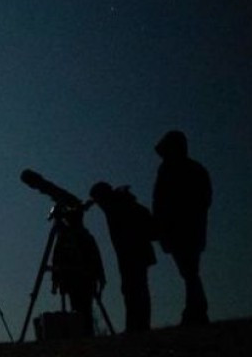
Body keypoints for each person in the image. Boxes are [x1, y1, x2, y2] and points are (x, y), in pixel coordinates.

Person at [152, 130, 212, 326]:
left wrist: (178, 217)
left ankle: (196, 310)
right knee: (188, 271)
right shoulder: (179, 169)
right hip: (180, 228)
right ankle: (195, 309)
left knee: (189, 270)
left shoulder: (181, 170)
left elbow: (203, 199)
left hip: (184, 228)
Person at [90, 181, 157, 333]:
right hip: (130, 254)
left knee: (135, 289)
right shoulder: (119, 205)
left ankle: (138, 325)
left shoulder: (121, 207)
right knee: (132, 289)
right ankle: (136, 325)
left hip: (134, 253)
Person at [50, 208, 106, 336]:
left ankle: (85, 333)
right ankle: (84, 333)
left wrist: (56, 280)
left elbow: (57, 258)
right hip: (79, 279)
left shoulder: (78, 237)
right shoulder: (84, 236)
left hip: (80, 278)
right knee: (81, 309)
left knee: (82, 309)